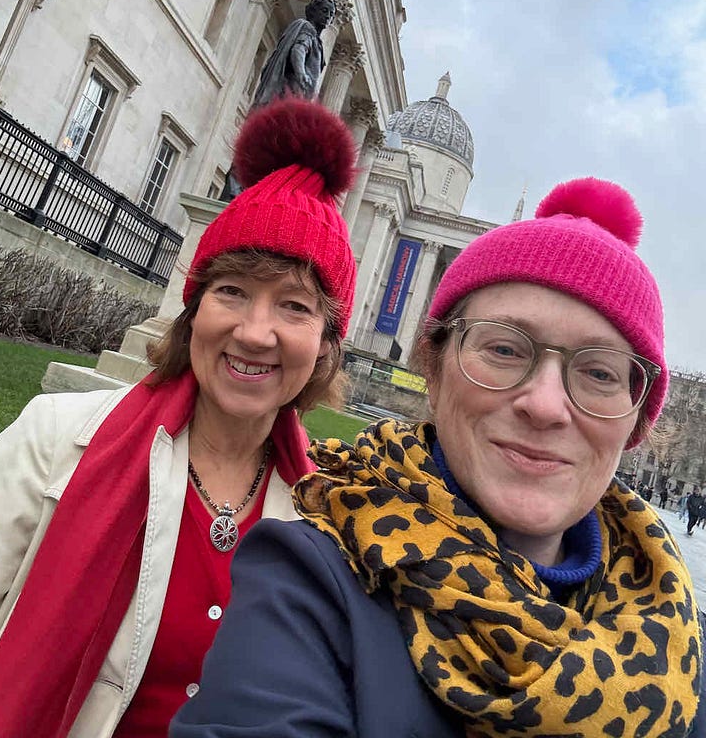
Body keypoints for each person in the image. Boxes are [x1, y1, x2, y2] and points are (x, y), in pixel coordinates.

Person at [172, 177, 704, 738]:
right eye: (504, 348)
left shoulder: (674, 631)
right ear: (433, 366)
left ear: (635, 421)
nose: (546, 406)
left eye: (599, 372)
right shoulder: (310, 580)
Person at [0, 97, 357, 738]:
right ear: (194, 310)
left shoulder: (332, 514)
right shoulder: (56, 437)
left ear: (326, 342)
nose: (255, 332)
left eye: (294, 306)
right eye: (232, 291)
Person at [252, 0, 335, 108]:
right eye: (324, 11)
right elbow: (299, 49)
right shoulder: (307, 28)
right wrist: (301, 73)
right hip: (293, 89)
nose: (328, 16)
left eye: (331, 14)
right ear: (313, 11)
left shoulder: (316, 40)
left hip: (301, 93)